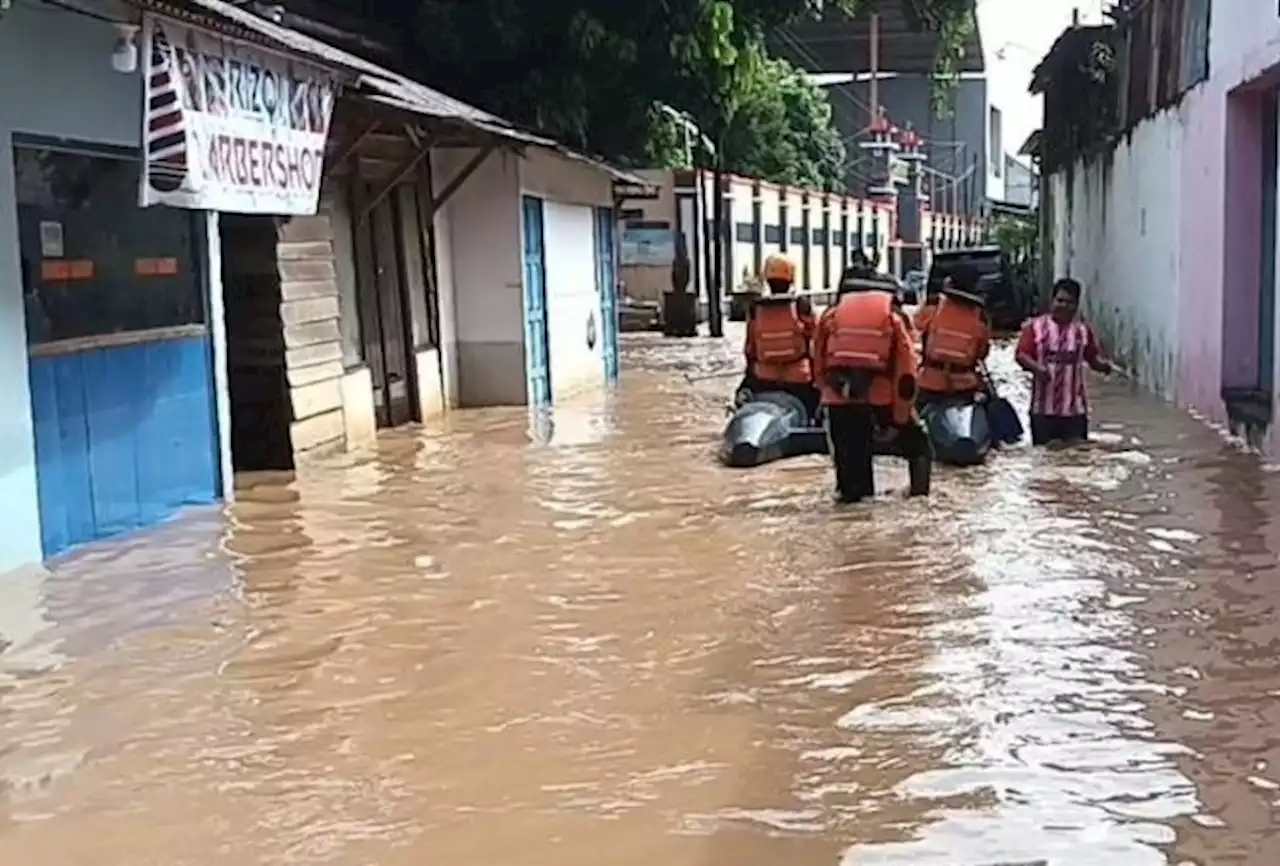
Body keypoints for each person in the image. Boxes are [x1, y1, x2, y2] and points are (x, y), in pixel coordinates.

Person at [813, 267, 925, 502]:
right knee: (920, 447)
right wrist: (901, 417)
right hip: (882, 400)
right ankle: (918, 501)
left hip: (839, 401)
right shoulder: (893, 318)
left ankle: (851, 512)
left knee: (850, 476)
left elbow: (819, 364)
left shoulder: (831, 316)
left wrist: (827, 395)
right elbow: (907, 373)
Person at [1015, 277, 1113, 446]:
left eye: (1069, 302)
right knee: (1045, 459)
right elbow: (1021, 355)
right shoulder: (1035, 328)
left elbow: (1092, 358)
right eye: (1060, 301)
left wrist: (1103, 367)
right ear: (1052, 301)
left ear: (1076, 306)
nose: (1064, 306)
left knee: (1075, 460)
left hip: (1075, 411)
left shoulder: (1082, 331)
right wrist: (1037, 368)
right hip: (1043, 411)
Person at [740, 253, 819, 418]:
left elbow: (750, 350)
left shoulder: (756, 308)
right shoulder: (802, 306)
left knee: (743, 392)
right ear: (791, 279)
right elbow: (817, 344)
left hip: (764, 382)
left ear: (767, 280)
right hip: (800, 382)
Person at [917, 264, 992, 401]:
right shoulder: (980, 317)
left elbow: (915, 332)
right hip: (964, 386)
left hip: (930, 382)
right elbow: (982, 353)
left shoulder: (934, 305)